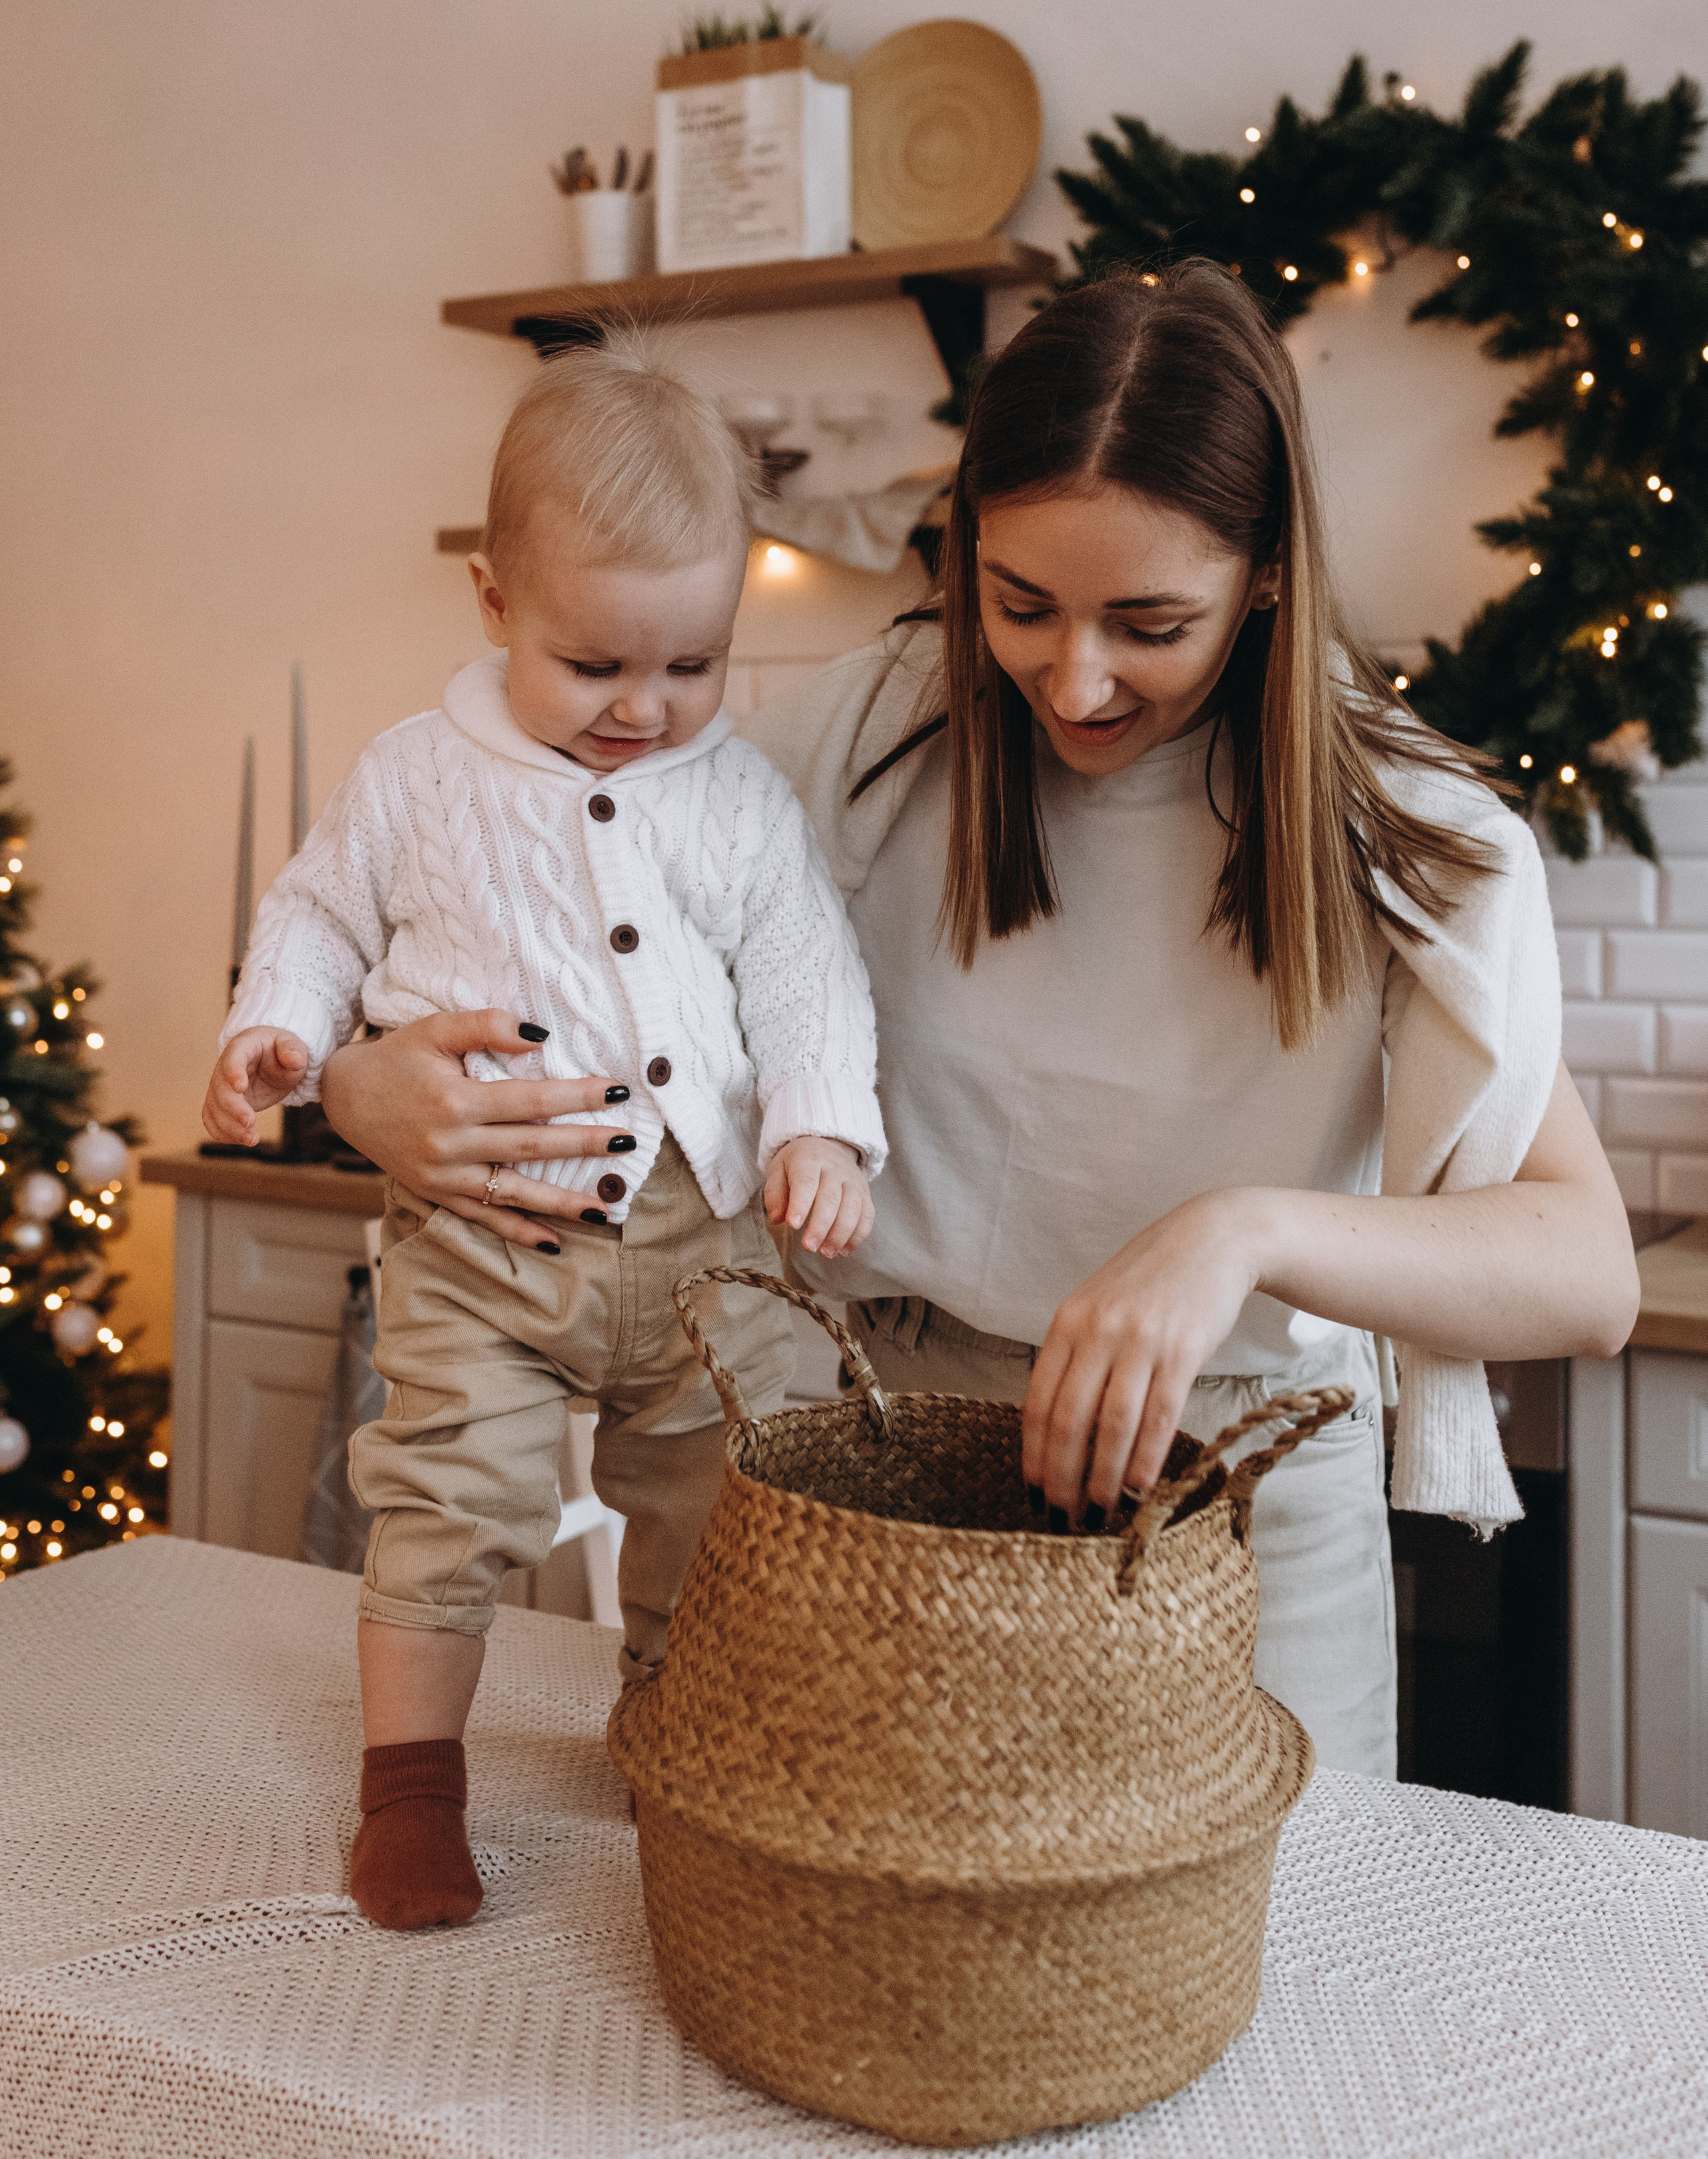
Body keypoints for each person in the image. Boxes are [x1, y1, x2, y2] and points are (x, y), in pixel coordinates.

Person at [317, 266, 1638, 1785]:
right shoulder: (862, 745)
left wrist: (1234, 1236)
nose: (1071, 677)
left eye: (1149, 621)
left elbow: (1583, 1271)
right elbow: (525, 926)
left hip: (1241, 1495)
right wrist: (366, 1086)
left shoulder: (1404, 831)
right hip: (883, 1461)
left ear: (1267, 572)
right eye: (1019, 605)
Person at [201, 334, 885, 1930]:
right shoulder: (415, 778)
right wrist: (278, 1033)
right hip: (485, 1242)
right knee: (452, 1495)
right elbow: (312, 913)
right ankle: (412, 1787)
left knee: (729, 1504)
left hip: (706, 1236)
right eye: (597, 668)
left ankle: (673, 1725)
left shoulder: (738, 802)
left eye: (692, 666)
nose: (647, 710)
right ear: (496, 604)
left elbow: (805, 974)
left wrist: (822, 1133)